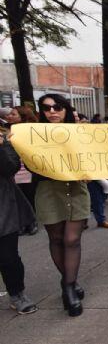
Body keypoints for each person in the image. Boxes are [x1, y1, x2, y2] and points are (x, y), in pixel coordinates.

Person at [34, 94, 89, 316]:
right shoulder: (32, 135)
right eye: (46, 108)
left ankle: (68, 287)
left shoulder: (81, 134)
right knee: (56, 239)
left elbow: (95, 159)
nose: (52, 112)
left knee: (72, 239)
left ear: (65, 109)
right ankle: (70, 282)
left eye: (57, 107)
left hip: (76, 189)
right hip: (49, 191)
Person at [0, 128, 38, 315]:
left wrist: (1, 145)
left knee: (8, 257)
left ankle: (17, 294)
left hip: (3, 210)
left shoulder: (5, 142)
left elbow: (10, 167)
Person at [5, 106, 39, 236]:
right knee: (18, 196)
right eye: (9, 114)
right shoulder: (5, 130)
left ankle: (32, 222)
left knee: (29, 195)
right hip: (13, 168)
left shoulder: (31, 130)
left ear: (23, 116)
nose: (9, 116)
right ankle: (22, 222)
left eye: (13, 114)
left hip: (27, 168)